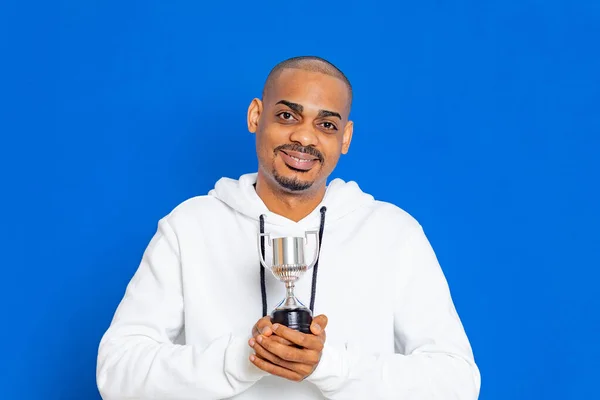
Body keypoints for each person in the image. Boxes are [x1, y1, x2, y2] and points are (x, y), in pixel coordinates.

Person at [96, 56, 481, 400]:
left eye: (326, 124)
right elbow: (117, 372)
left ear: (345, 138)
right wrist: (243, 359)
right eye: (287, 116)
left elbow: (458, 383)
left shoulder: (393, 234)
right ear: (255, 116)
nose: (304, 137)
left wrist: (330, 366)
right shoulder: (191, 226)